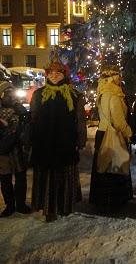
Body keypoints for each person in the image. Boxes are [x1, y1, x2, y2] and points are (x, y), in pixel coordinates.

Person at [30, 61, 86, 222]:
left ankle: (64, 205)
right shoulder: (39, 94)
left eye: (59, 72)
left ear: (64, 74)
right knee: (47, 176)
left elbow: (80, 120)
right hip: (44, 143)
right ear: (47, 74)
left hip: (65, 143)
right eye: (51, 72)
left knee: (64, 175)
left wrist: (80, 139)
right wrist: (32, 139)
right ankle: (49, 209)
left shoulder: (75, 95)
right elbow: (33, 118)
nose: (54, 74)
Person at [89, 65, 133, 211]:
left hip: (102, 133)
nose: (120, 80)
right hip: (112, 134)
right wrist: (129, 133)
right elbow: (118, 120)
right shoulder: (113, 95)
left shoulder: (103, 93)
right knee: (114, 166)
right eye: (118, 77)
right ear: (113, 78)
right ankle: (114, 201)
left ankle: (101, 199)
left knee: (103, 167)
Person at [0, 82, 31, 217]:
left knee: (20, 178)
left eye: (11, 92)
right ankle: (10, 205)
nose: (10, 95)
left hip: (18, 149)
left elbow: (26, 125)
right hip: (3, 150)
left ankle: (21, 204)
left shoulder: (19, 108)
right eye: (7, 92)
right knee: (5, 179)